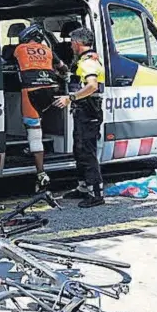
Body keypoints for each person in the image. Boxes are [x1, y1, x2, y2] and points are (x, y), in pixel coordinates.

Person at [52, 27, 105, 208]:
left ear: (77, 43)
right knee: (79, 149)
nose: (71, 46)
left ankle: (96, 193)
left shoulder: (88, 63)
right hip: (84, 112)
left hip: (88, 112)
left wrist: (70, 98)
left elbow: (92, 86)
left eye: (72, 42)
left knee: (87, 152)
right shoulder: (85, 61)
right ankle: (83, 187)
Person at [13, 24, 69, 193]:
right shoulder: (48, 50)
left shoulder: (19, 49)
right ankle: (37, 149)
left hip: (31, 90)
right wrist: (59, 75)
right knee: (40, 118)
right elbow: (64, 68)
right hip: (51, 90)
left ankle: (41, 174)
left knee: (33, 131)